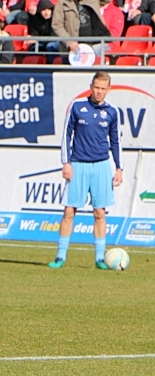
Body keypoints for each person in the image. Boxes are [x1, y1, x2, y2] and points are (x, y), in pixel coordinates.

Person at [48, 71, 122, 270]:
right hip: (78, 164)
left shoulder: (113, 112)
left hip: (101, 166)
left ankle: (99, 258)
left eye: (103, 88)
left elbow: (116, 141)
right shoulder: (77, 106)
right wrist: (66, 162)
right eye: (96, 87)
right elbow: (66, 136)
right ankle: (60, 256)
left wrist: (119, 168)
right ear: (91, 86)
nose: (99, 92)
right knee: (69, 211)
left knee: (99, 213)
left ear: (108, 89)